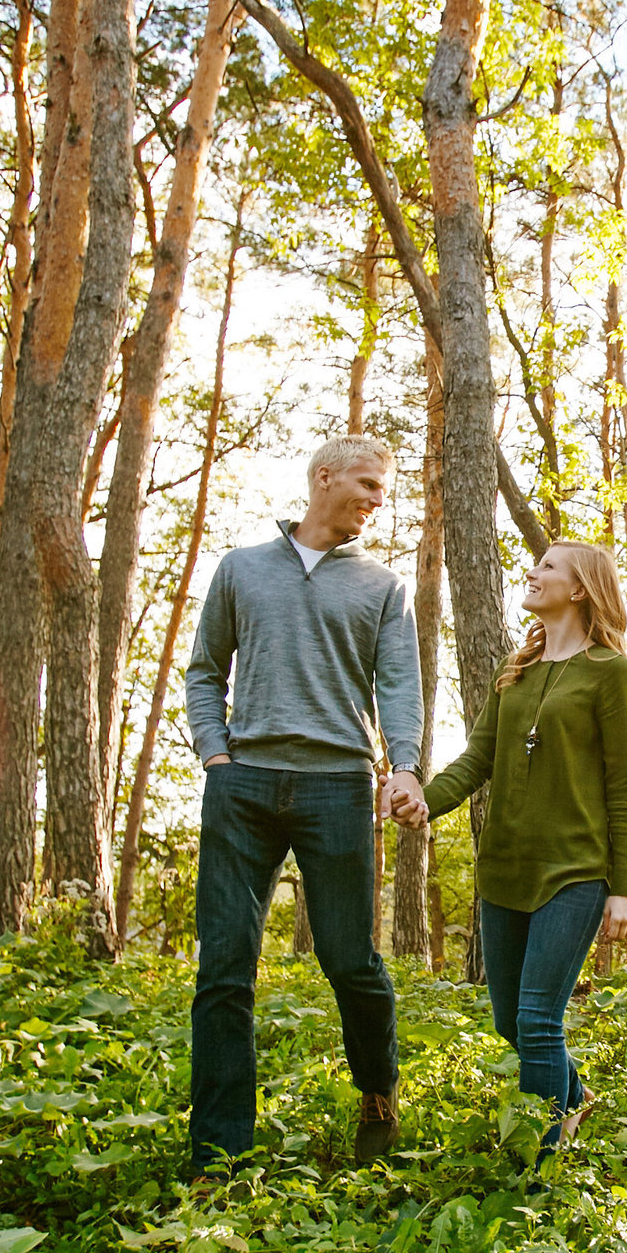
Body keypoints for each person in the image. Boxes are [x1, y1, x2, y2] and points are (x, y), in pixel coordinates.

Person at [183, 434, 427, 1175]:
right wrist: (215, 754)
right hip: (244, 784)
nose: (376, 499)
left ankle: (378, 1096)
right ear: (323, 478)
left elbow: (399, 688)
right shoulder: (240, 568)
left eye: (381, 489)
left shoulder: (383, 587)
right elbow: (203, 670)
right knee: (225, 967)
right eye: (366, 483)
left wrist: (406, 768)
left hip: (338, 788)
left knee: (352, 960)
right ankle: (219, 1152)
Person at [389, 541, 627, 1155]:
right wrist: (425, 799)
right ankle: (573, 1096)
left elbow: (624, 787)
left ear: (580, 589)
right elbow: (478, 758)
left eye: (549, 567)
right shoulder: (518, 671)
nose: (533, 572)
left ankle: (538, 1157)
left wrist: (625, 886)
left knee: (537, 1019)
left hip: (574, 873)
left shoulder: (609, 673)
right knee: (511, 1020)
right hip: (504, 869)